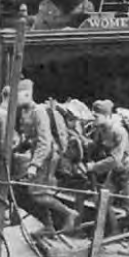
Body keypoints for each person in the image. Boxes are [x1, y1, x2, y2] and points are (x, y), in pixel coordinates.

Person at [15, 79, 79, 235]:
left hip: (48, 156)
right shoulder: (24, 111)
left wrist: (34, 165)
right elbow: (31, 137)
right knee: (36, 192)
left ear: (27, 94)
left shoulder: (39, 111)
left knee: (38, 194)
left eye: (17, 96)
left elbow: (45, 142)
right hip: (37, 153)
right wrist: (18, 148)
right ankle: (49, 226)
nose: (15, 100)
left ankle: (69, 213)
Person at [85, 100, 129, 255]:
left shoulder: (119, 131)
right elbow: (95, 147)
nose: (93, 118)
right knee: (102, 200)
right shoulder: (100, 130)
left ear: (107, 116)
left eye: (96, 115)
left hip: (128, 171)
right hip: (115, 172)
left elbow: (115, 158)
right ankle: (115, 232)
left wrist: (94, 167)